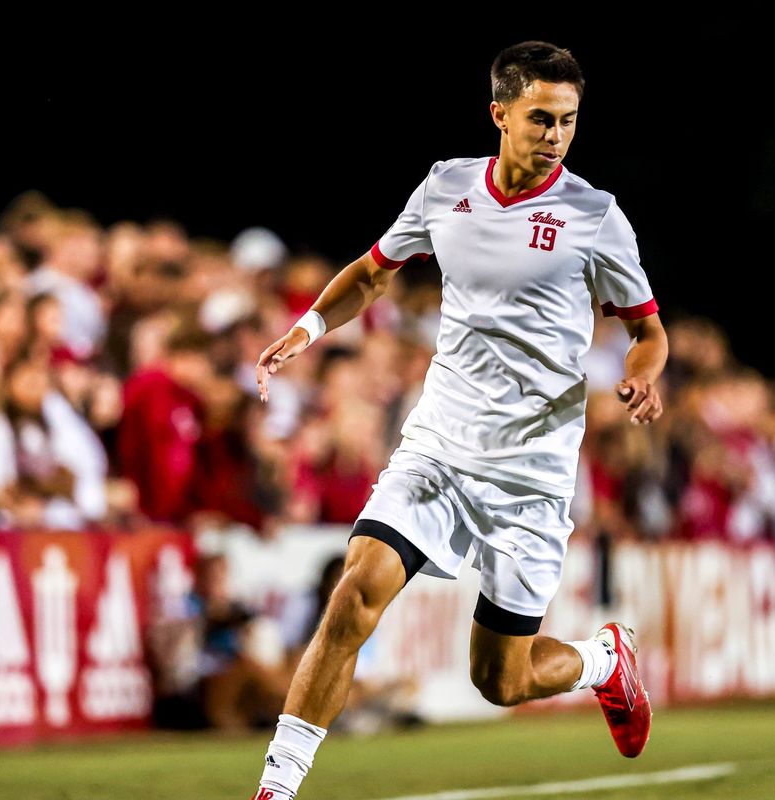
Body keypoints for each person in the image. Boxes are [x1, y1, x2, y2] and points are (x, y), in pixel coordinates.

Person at [249, 41, 669, 799]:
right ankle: (277, 787)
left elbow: (648, 328)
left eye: (569, 121)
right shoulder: (447, 186)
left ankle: (605, 660)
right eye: (541, 118)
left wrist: (640, 378)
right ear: (499, 114)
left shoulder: (595, 216)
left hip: (532, 474)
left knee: (499, 681)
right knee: (354, 592)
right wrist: (308, 328)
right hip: (439, 445)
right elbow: (376, 271)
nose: (555, 135)